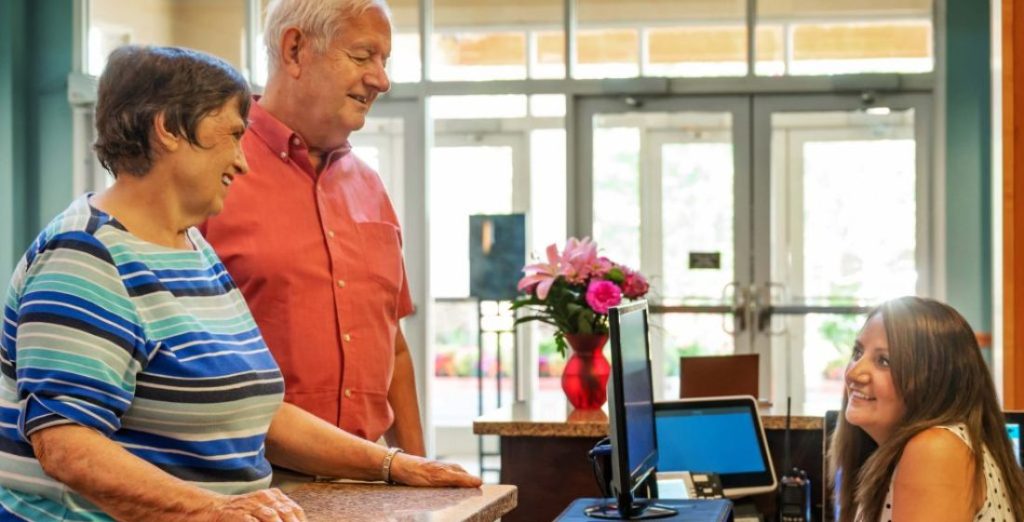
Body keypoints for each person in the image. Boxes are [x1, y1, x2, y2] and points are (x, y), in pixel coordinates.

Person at [0, 45, 478, 521]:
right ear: (167, 128)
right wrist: (212, 508)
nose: (243, 162)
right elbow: (67, 445)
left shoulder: (191, 248)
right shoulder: (85, 256)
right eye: (232, 135)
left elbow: (258, 413)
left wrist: (393, 464)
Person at [200, 0, 424, 455]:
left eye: (384, 62)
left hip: (369, 480)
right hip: (250, 485)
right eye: (363, 57)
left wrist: (420, 474)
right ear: (295, 49)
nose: (382, 79)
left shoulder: (370, 186)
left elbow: (393, 346)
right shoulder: (210, 174)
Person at [828, 296, 1024, 522]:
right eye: (858, 353)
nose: (853, 373)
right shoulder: (931, 448)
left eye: (884, 361)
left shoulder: (936, 448)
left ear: (934, 379)